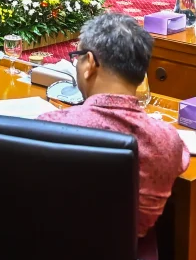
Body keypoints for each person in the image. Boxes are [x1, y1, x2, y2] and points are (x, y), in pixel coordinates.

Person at [37, 14, 188, 238]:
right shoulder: (168, 140)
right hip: (126, 255)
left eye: (77, 58)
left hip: (54, 246)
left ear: (89, 63)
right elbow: (182, 159)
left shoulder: (50, 126)